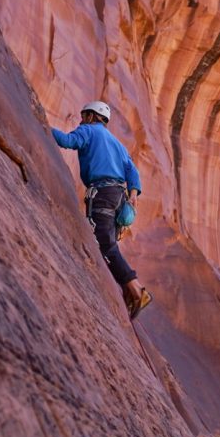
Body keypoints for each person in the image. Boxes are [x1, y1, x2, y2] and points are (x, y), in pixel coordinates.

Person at [52, 100, 152, 319]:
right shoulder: (116, 143)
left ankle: (135, 289)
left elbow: (69, 141)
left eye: (83, 115)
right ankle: (127, 290)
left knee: (103, 242)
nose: (81, 119)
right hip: (119, 197)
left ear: (90, 116)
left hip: (102, 194)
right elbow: (132, 170)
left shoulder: (88, 130)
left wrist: (43, 125)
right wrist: (134, 193)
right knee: (108, 243)